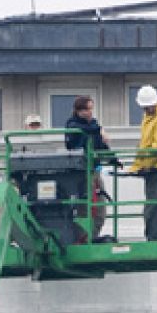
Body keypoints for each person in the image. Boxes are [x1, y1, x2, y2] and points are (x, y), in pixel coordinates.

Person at [63, 95, 116, 242]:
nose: (90, 112)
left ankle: (90, 237)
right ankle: (82, 239)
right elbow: (83, 133)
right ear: (78, 110)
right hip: (81, 173)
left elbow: (100, 144)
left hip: (94, 170)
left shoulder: (93, 125)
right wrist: (99, 131)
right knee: (84, 208)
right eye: (87, 109)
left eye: (91, 109)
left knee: (100, 209)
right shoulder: (73, 125)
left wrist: (113, 159)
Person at [129, 84, 157, 242]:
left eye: (148, 106)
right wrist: (136, 166)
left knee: (154, 208)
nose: (146, 109)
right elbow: (144, 146)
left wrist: (144, 165)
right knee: (155, 207)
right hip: (153, 170)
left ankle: (155, 240)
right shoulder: (148, 118)